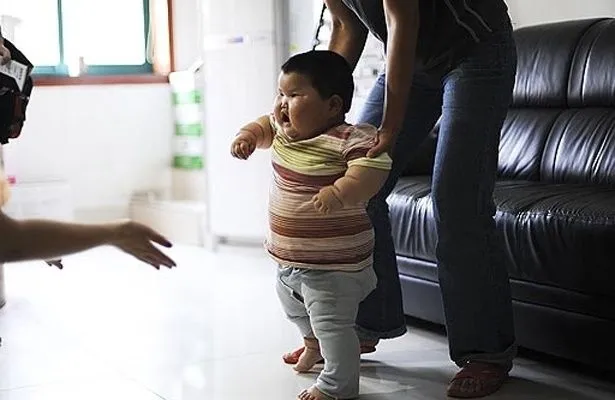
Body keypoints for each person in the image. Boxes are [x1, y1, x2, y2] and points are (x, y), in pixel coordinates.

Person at [283, 1, 518, 398]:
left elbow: (403, 19)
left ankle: (486, 351)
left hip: (475, 50)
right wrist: (318, 103)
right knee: (357, 183)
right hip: (416, 59)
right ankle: (364, 325)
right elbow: (346, 24)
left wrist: (391, 126)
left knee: (457, 198)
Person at [231, 50, 392, 400]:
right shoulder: (283, 131)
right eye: (280, 94)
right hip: (289, 261)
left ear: (333, 106)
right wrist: (246, 136)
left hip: (335, 266)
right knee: (294, 308)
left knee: (333, 325)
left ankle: (338, 385)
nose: (281, 105)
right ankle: (312, 345)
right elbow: (262, 125)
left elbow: (373, 170)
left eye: (294, 95)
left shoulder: (350, 138)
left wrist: (342, 190)